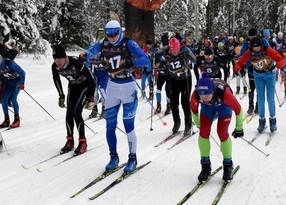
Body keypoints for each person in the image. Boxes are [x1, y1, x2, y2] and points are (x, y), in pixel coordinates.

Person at [82, 20, 150, 173]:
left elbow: (145, 59)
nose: (112, 37)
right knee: (110, 125)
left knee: (128, 125)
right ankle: (113, 157)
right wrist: (84, 55)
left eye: (114, 34)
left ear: (120, 31)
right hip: (112, 86)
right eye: (109, 34)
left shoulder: (129, 43)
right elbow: (90, 51)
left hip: (128, 87)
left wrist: (130, 62)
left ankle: (132, 157)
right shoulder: (103, 43)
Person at [190, 72, 244, 181]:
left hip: (223, 106)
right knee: (203, 132)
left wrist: (239, 128)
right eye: (202, 96)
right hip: (208, 108)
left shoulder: (223, 93)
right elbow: (194, 110)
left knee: (222, 132)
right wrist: (198, 124)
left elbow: (238, 110)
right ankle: (205, 166)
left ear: (213, 91)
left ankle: (228, 165)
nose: (205, 98)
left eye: (207, 95)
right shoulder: (195, 94)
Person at [235, 36, 286, 133]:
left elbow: (282, 60)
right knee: (261, 98)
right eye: (254, 48)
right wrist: (238, 68)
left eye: (258, 47)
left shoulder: (267, 50)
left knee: (270, 98)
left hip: (269, 75)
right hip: (258, 75)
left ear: (261, 46)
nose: (256, 49)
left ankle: (273, 120)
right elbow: (240, 62)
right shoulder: (250, 52)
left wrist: (276, 67)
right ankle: (261, 121)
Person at [52, 45, 96, 155]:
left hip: (84, 86)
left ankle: (83, 142)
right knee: (68, 114)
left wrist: (90, 98)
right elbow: (56, 80)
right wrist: (61, 95)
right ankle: (70, 141)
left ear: (65, 57)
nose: (58, 62)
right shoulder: (55, 67)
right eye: (56, 59)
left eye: (60, 59)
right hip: (72, 87)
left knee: (77, 113)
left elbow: (91, 80)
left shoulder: (76, 63)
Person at [165, 37, 196, 136]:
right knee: (174, 102)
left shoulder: (184, 50)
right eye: (172, 50)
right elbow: (154, 56)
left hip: (185, 78)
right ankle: (176, 122)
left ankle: (188, 124)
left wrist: (188, 52)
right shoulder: (166, 50)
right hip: (173, 79)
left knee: (185, 102)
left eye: (176, 50)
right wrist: (153, 56)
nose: (174, 52)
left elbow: (194, 60)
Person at [0, 52, 25, 129]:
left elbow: (22, 72)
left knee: (13, 98)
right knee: (4, 100)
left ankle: (17, 119)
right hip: (9, 82)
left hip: (17, 81)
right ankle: (6, 120)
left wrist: (22, 83)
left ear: (0, 60)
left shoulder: (9, 63)